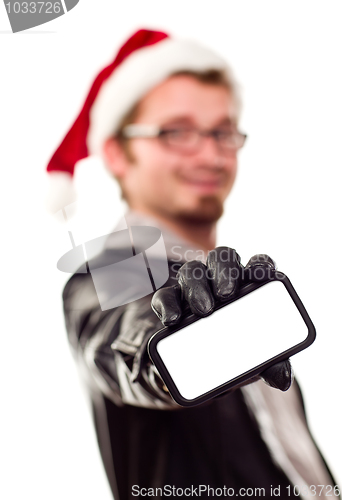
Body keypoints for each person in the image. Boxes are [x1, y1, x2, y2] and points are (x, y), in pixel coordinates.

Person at [47, 29, 338, 499]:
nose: (210, 153)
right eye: (177, 132)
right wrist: (173, 343)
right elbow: (127, 342)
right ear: (118, 152)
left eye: (223, 131)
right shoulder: (113, 268)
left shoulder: (232, 289)